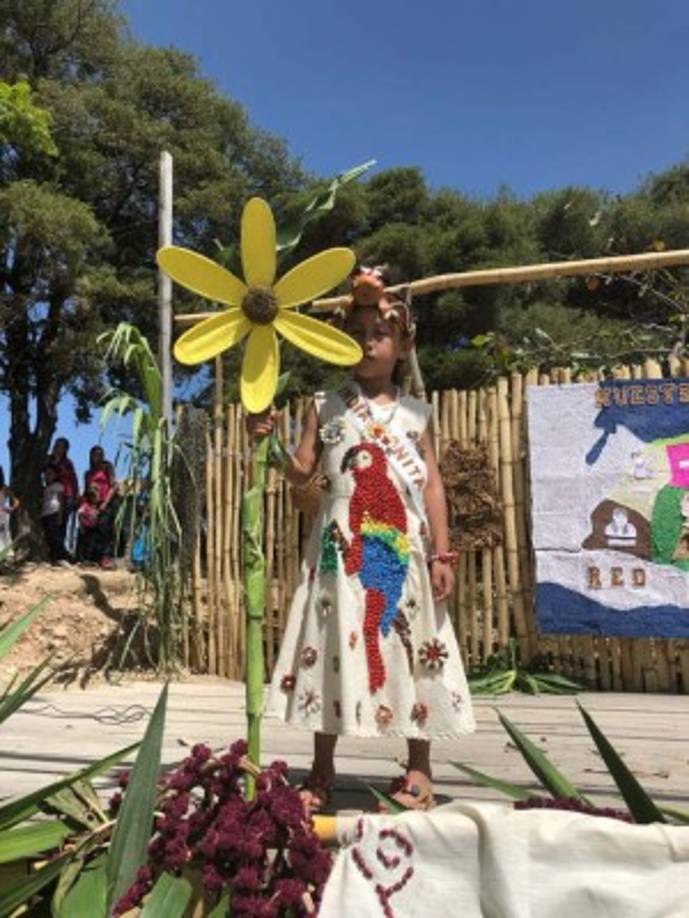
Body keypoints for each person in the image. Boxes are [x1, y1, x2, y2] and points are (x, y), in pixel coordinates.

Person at [247, 265, 475, 814]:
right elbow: (304, 475)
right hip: (339, 547)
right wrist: (271, 441)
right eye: (356, 335)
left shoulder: (417, 414)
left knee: (412, 642)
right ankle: (322, 769)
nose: (367, 344)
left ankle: (419, 766)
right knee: (332, 647)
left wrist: (442, 551)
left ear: (401, 345)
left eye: (380, 334)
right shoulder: (325, 406)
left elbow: (433, 485)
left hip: (402, 545)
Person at [84, 446, 117, 569]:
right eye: (94, 454)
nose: (96, 457)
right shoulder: (88, 473)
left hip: (106, 503)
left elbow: (114, 486)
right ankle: (93, 559)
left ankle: (106, 558)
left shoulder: (107, 467)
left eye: (99, 454)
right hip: (93, 504)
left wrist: (105, 503)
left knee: (105, 529)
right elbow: (87, 491)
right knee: (92, 531)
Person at [46, 437, 79, 551]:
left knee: (62, 523)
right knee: (50, 523)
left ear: (66, 449)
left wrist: (76, 497)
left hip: (67, 496)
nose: (59, 448)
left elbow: (74, 480)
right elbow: (47, 472)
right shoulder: (48, 459)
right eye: (57, 445)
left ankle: (59, 551)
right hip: (52, 495)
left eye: (62, 446)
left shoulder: (68, 463)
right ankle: (52, 549)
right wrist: (55, 459)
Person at [41, 466, 72, 565]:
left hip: (54, 512)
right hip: (46, 514)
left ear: (55, 475)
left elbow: (61, 501)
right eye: (46, 474)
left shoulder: (58, 485)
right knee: (49, 536)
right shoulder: (46, 487)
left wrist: (60, 515)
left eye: (50, 473)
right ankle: (54, 557)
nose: (47, 476)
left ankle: (64, 556)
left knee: (55, 536)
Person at [0, 482, 19, 557]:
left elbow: (16, 501)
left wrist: (11, 509)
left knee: (4, 534)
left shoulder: (4, 489)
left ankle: (8, 554)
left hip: (2, 515)